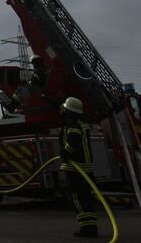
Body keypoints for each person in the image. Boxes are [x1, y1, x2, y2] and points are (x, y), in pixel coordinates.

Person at [59, 97, 98, 238]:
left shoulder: (73, 125)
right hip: (84, 168)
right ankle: (91, 227)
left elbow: (73, 144)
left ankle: (87, 229)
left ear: (68, 110)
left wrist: (65, 154)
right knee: (85, 199)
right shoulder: (82, 123)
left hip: (76, 169)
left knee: (78, 198)